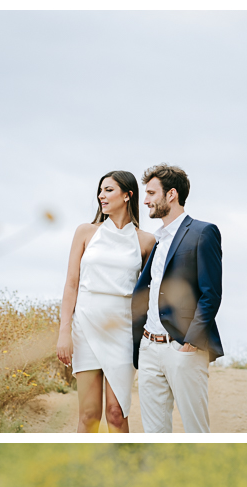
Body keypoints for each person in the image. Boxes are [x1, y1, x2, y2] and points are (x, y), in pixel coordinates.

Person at [57, 172, 157, 433]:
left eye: (109, 190)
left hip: (122, 331)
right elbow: (71, 284)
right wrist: (64, 331)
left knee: (116, 414)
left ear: (127, 195)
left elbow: (149, 295)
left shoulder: (146, 241)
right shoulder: (86, 232)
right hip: (85, 327)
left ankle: (123, 471)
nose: (101, 195)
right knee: (89, 415)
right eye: (100, 190)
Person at [132, 165, 223, 434]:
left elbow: (211, 294)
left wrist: (191, 342)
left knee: (196, 431)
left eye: (151, 193)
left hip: (183, 348)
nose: (146, 200)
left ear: (171, 194)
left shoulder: (203, 233)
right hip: (148, 349)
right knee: (154, 434)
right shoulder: (157, 241)